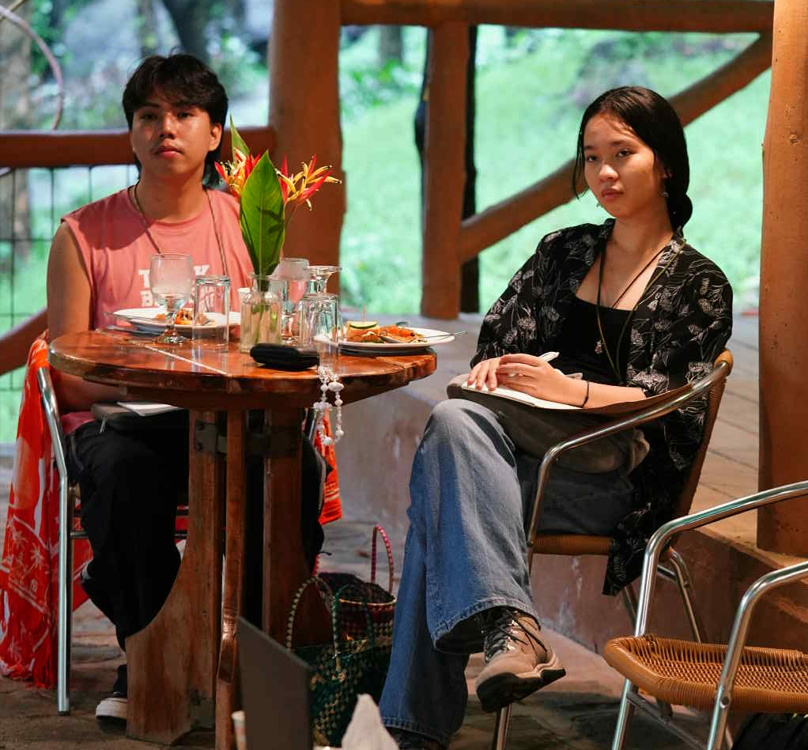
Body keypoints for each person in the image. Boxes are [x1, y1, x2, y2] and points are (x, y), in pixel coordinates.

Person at [379, 86, 733, 750]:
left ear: (665, 164)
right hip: (519, 454)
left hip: (611, 476)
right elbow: (497, 343)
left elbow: (670, 398)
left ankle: (418, 726)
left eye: (622, 154)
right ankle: (510, 630)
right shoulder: (563, 251)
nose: (604, 172)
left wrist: (568, 391)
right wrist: (498, 372)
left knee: (443, 489)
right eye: (592, 157)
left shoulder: (699, 283)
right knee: (456, 427)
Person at [45, 53, 255, 724]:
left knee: (292, 470)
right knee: (125, 475)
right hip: (117, 423)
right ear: (131, 133)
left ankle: (246, 657)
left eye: (185, 114)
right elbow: (68, 378)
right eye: (148, 115)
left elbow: (268, 340)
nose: (166, 128)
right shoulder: (82, 234)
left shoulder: (246, 222)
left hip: (221, 419)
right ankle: (148, 659)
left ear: (215, 133)